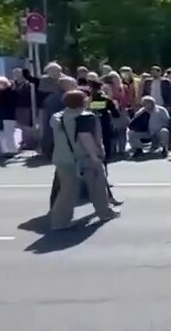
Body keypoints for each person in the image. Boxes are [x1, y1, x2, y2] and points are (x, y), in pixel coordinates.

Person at [48, 89, 119, 230]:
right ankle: (104, 212)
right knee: (97, 186)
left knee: (67, 191)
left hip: (63, 158)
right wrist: (94, 156)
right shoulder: (86, 117)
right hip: (84, 157)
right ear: (83, 101)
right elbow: (85, 137)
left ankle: (59, 222)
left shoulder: (57, 117)